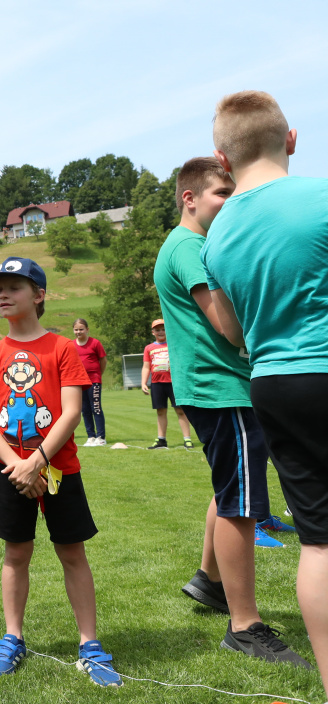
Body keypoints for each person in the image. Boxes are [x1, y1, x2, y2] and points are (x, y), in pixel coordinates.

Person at [155, 156, 308, 667]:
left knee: (231, 489)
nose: (230, 200)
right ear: (189, 198)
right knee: (242, 505)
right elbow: (228, 326)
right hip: (222, 388)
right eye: (222, 192)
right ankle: (244, 625)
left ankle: (210, 580)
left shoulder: (186, 245)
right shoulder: (190, 248)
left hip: (216, 388)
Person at [201, 90, 328, 694]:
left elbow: (232, 331)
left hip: (273, 384)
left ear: (223, 161)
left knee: (319, 542)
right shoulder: (321, 196)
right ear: (291, 139)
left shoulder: (216, 238)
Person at [0, 257, 122, 688]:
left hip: (59, 469)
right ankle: (12, 638)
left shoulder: (62, 348)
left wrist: (36, 461)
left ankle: (89, 644)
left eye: (14, 287)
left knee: (72, 552)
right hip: (11, 471)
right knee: (16, 553)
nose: (2, 294)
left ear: (39, 295)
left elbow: (72, 412)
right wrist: (16, 465)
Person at [142, 319, 193, 449]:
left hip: (174, 383)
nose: (161, 332)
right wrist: (143, 383)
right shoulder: (149, 348)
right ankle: (161, 440)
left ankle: (187, 439)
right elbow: (146, 367)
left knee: (180, 410)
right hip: (157, 383)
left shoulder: (173, 345)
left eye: (163, 329)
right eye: (157, 330)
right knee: (160, 411)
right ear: (153, 332)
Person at [72, 319, 107, 447]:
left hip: (94, 381)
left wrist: (98, 375)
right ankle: (91, 436)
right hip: (80, 382)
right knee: (85, 410)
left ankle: (101, 437)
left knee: (96, 408)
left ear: (87, 329)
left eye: (81, 329)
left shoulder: (95, 343)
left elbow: (103, 360)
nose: (79, 332)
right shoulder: (71, 345)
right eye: (76, 329)